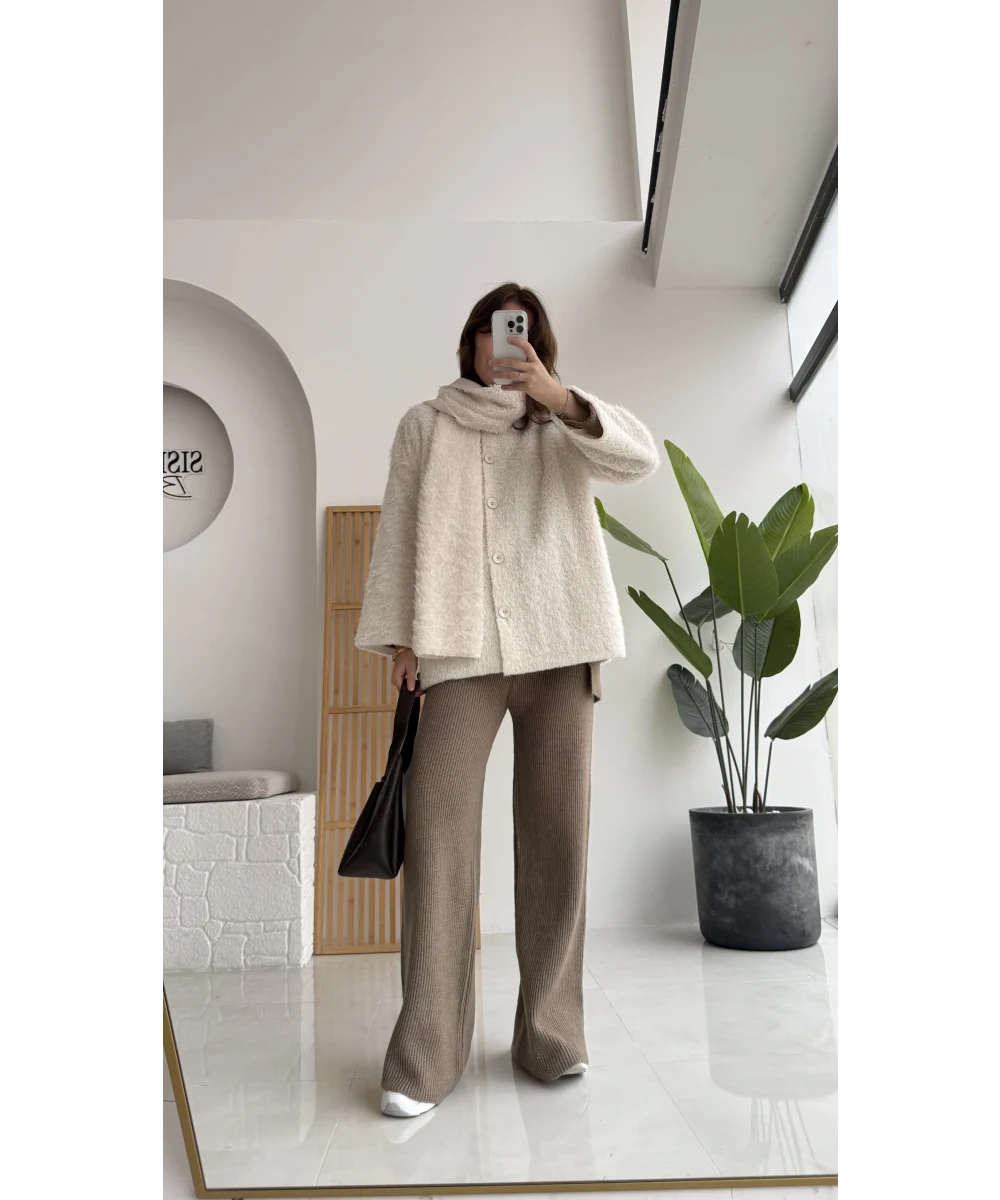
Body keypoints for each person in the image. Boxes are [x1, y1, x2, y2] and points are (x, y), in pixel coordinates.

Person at [354, 282, 660, 1118]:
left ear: (539, 345)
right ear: (472, 341)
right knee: (439, 840)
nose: (505, 344)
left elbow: (639, 459)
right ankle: (425, 1056)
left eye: (520, 333)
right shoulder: (426, 425)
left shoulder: (564, 423)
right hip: (461, 651)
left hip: (564, 645)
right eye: (494, 331)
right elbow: (398, 532)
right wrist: (403, 640)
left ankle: (551, 1035)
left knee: (559, 837)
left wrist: (561, 399)